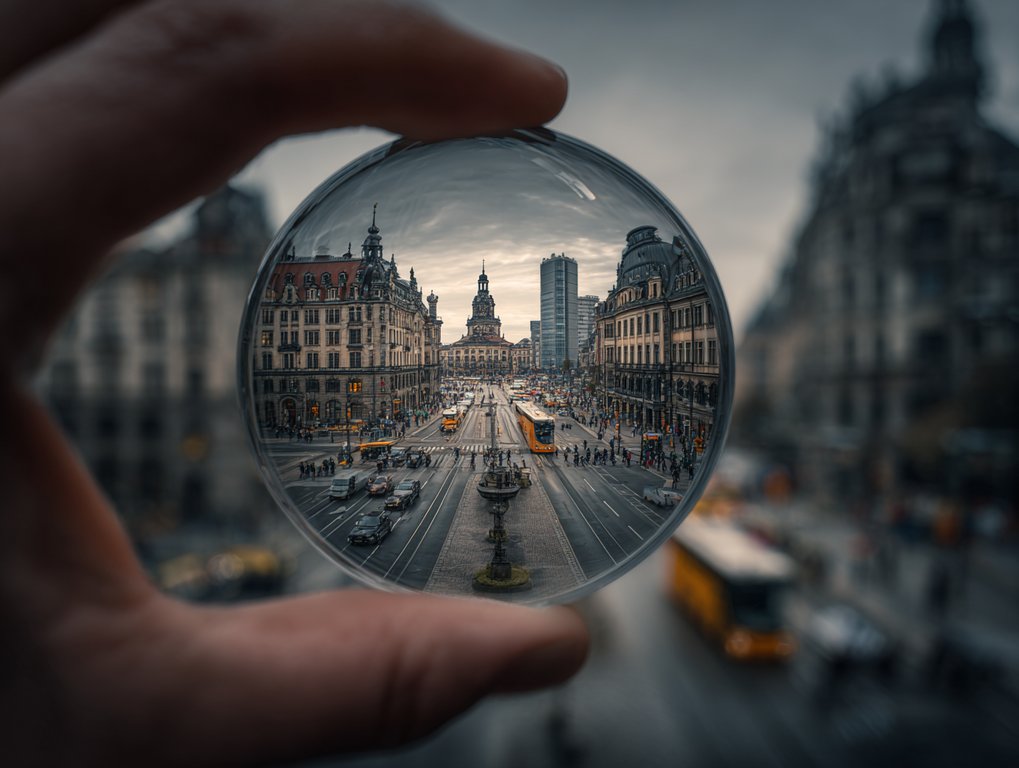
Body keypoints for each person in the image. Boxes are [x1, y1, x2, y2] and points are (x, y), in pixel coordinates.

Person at [0, 4, 587, 764]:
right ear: (473, 314)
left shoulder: (487, 337)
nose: (486, 335)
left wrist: (490, 357)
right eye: (482, 324)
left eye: (487, 325)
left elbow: (482, 355)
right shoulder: (401, 310)